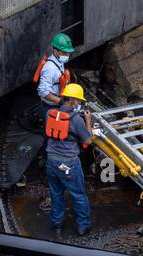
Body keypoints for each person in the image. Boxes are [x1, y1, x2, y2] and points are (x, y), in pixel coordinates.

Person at [44, 83, 93, 238]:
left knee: (56, 193)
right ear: (72, 101)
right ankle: (82, 227)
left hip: (51, 160)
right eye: (77, 101)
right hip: (69, 163)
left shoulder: (49, 113)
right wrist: (88, 121)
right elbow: (88, 140)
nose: (78, 103)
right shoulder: (77, 120)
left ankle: (57, 224)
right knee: (78, 195)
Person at [34, 34, 75, 123]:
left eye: (68, 53)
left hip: (57, 105)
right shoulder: (50, 68)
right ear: (56, 51)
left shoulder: (59, 62)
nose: (67, 55)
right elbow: (43, 91)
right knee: (53, 134)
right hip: (50, 107)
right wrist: (60, 101)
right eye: (64, 53)